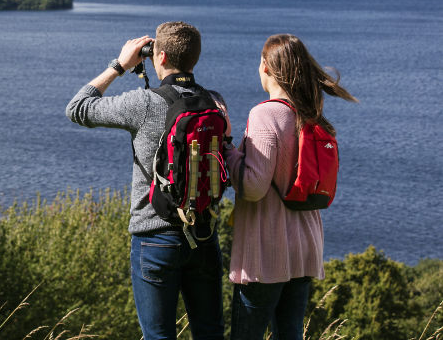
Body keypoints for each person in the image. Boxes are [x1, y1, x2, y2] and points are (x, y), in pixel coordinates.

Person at [66, 21, 227, 340]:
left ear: (160, 56)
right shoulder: (214, 103)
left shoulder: (144, 103)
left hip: (154, 237)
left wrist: (120, 65)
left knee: (158, 336)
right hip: (203, 235)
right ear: (195, 57)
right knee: (210, 333)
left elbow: (78, 108)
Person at [224, 34, 358, 340]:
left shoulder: (265, 114)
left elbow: (254, 186)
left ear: (267, 67)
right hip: (305, 247)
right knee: (290, 333)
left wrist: (228, 151)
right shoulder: (311, 115)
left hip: (266, 250)